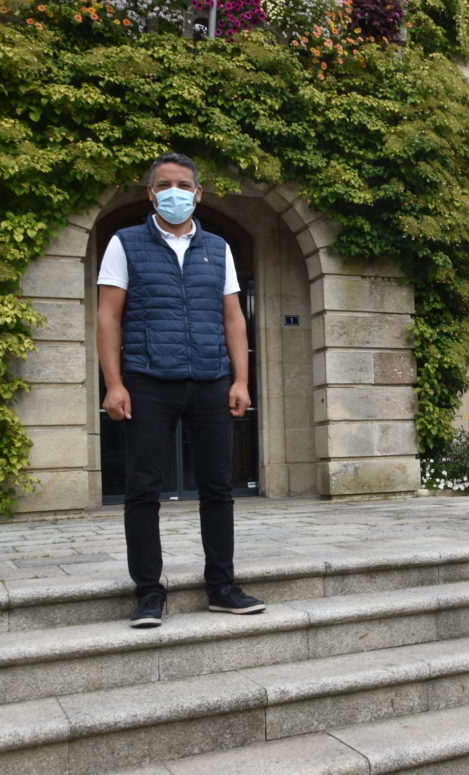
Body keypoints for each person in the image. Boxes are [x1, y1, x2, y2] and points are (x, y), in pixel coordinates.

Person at [97, 152, 265, 628]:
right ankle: (149, 593)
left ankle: (222, 587)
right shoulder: (125, 243)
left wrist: (240, 379)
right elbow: (108, 317)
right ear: (151, 194)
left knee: (218, 489)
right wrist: (114, 384)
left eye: (184, 185)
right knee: (142, 490)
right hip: (147, 380)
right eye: (165, 184)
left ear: (198, 192)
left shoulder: (218, 247)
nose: (175, 192)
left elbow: (233, 317)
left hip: (210, 380)